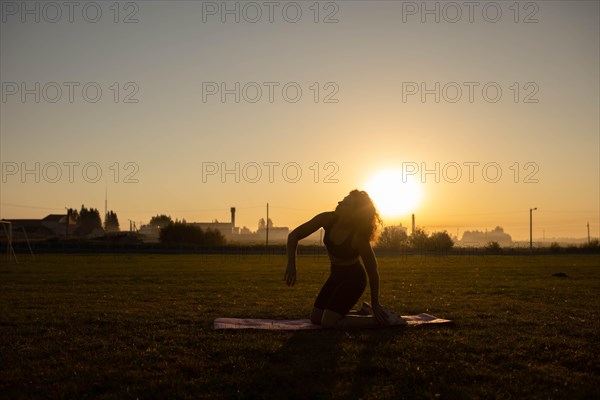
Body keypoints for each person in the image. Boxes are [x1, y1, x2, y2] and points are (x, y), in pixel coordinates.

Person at [285, 189, 404, 328]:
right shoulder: (326, 219)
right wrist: (291, 265)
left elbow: (372, 270)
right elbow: (293, 236)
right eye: (343, 199)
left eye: (346, 204)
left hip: (353, 279)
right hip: (335, 276)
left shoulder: (358, 237)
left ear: (354, 213)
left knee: (328, 322)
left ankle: (380, 320)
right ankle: (364, 313)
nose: (339, 203)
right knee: (316, 318)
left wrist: (376, 304)